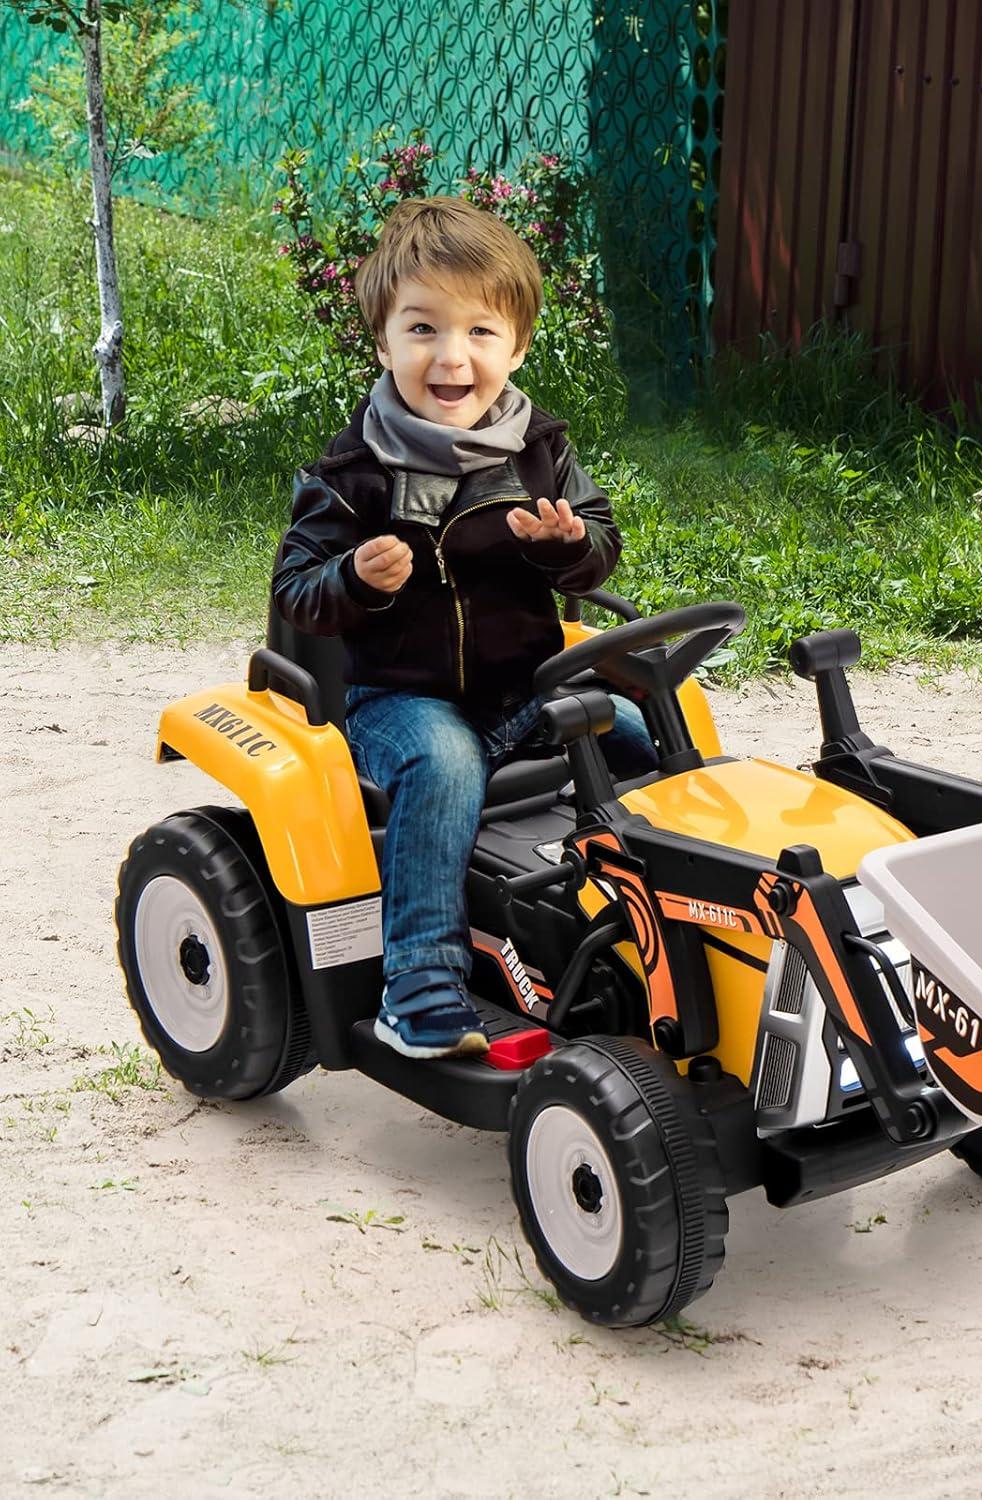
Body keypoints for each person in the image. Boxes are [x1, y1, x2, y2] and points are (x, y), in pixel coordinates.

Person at [272, 196, 655, 1060]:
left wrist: (569, 548)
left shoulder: (540, 451)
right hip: (396, 700)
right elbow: (298, 591)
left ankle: (661, 927)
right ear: (383, 342)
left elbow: (600, 550)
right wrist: (355, 581)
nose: (452, 357)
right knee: (442, 764)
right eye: (423, 330)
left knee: (645, 733)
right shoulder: (350, 473)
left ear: (516, 347)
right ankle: (420, 985)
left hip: (522, 689)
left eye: (481, 332)